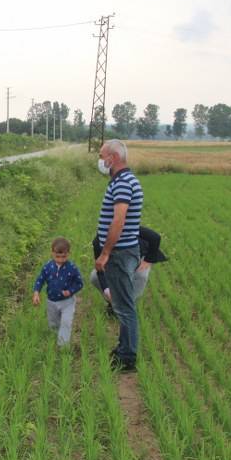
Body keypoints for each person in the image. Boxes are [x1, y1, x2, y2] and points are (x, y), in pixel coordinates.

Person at [95, 139, 144, 372]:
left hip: (119, 253)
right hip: (125, 251)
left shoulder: (123, 183)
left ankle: (127, 357)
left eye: (101, 155)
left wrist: (106, 253)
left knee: (124, 307)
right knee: (124, 304)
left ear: (112, 158)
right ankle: (124, 348)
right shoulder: (125, 181)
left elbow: (119, 220)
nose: (100, 159)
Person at [90, 226, 168, 313]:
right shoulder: (98, 243)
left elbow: (155, 237)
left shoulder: (128, 229)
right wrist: (106, 289)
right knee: (95, 277)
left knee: (140, 275)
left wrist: (148, 260)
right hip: (117, 260)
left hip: (140, 255)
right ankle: (113, 302)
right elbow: (100, 269)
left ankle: (127, 305)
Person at [32, 237, 84, 347]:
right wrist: (36, 292)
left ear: (68, 254)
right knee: (54, 324)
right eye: (57, 256)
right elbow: (40, 279)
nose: (60, 259)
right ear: (52, 253)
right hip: (51, 301)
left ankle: (63, 347)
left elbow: (79, 283)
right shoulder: (48, 267)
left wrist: (70, 291)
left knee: (66, 322)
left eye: (63, 256)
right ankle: (54, 340)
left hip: (67, 302)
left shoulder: (72, 268)